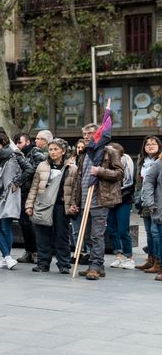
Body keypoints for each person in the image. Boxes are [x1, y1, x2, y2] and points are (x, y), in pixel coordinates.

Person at [73, 103, 122, 280]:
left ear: (98, 134)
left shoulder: (109, 151)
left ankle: (94, 266)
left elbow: (119, 173)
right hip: (84, 200)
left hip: (100, 200)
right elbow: (79, 178)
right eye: (84, 134)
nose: (86, 137)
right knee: (85, 236)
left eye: (89, 134)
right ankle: (97, 264)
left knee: (97, 236)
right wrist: (75, 201)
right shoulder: (84, 152)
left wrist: (100, 171)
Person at [25, 138, 78, 273]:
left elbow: (75, 189)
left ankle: (64, 264)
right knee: (43, 235)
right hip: (43, 204)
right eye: (51, 149)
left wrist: (73, 204)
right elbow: (34, 187)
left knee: (62, 235)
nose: (53, 152)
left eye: (56, 149)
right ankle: (43, 263)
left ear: (63, 151)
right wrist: (29, 205)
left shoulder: (71, 168)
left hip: (61, 205)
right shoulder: (42, 166)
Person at [0, 133, 25, 270]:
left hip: (7, 194)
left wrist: (17, 182)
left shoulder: (15, 155)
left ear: (3, 143)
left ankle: (5, 258)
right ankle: (7, 257)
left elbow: (29, 169)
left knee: (5, 227)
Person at [13, 131, 43, 264]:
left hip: (33, 192)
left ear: (27, 142)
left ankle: (36, 251)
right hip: (21, 192)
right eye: (16, 143)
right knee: (23, 223)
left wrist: (20, 179)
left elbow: (35, 170)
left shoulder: (36, 153)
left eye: (19, 142)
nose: (18, 145)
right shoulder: (17, 154)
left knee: (31, 223)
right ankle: (29, 251)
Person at [107, 142, 135, 270]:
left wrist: (117, 196)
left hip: (124, 199)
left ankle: (129, 258)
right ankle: (118, 256)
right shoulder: (107, 163)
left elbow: (129, 183)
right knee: (112, 230)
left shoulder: (127, 161)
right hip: (109, 200)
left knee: (123, 230)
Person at [137, 136, 162, 279]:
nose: (150, 146)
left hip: (156, 202)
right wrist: (139, 198)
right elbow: (142, 183)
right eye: (147, 144)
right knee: (150, 232)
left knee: (156, 232)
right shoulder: (143, 161)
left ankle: (158, 262)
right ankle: (152, 259)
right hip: (146, 201)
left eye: (153, 144)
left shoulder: (158, 161)